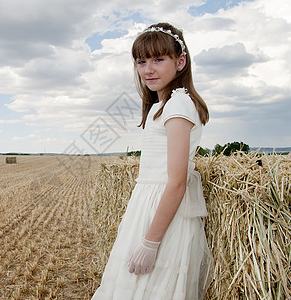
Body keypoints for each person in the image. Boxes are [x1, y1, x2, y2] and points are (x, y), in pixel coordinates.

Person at [92, 22, 214, 300]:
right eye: (141, 61)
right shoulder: (163, 106)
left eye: (159, 59)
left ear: (180, 61)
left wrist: (150, 242)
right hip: (148, 205)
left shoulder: (178, 105)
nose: (148, 69)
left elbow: (177, 181)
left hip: (162, 211)